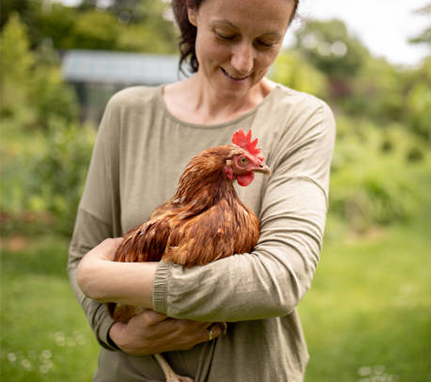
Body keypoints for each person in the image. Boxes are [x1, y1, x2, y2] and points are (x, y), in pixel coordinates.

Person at [68, 0, 336, 380]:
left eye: (266, 43)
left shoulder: (302, 119)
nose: (243, 63)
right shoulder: (127, 112)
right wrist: (117, 332)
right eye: (225, 35)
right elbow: (84, 250)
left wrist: (102, 279)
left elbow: (281, 277)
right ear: (192, 11)